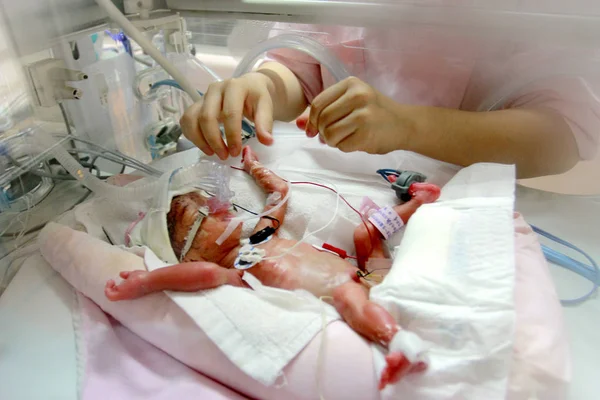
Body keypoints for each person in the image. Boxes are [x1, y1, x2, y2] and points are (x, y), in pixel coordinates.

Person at [105, 146, 441, 390]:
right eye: (200, 216)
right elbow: (203, 277)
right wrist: (149, 280)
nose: (218, 210)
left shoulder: (259, 239)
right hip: (346, 292)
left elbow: (279, 193)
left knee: (363, 233)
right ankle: (398, 342)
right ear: (192, 255)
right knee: (353, 302)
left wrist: (253, 167)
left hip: (373, 274)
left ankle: (419, 201)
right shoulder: (235, 269)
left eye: (210, 203)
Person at [179, 24, 600, 179]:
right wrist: (262, 86)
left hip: (463, 202)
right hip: (356, 187)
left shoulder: (525, 18)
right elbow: (303, 64)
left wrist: (408, 126)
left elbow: (562, 137)